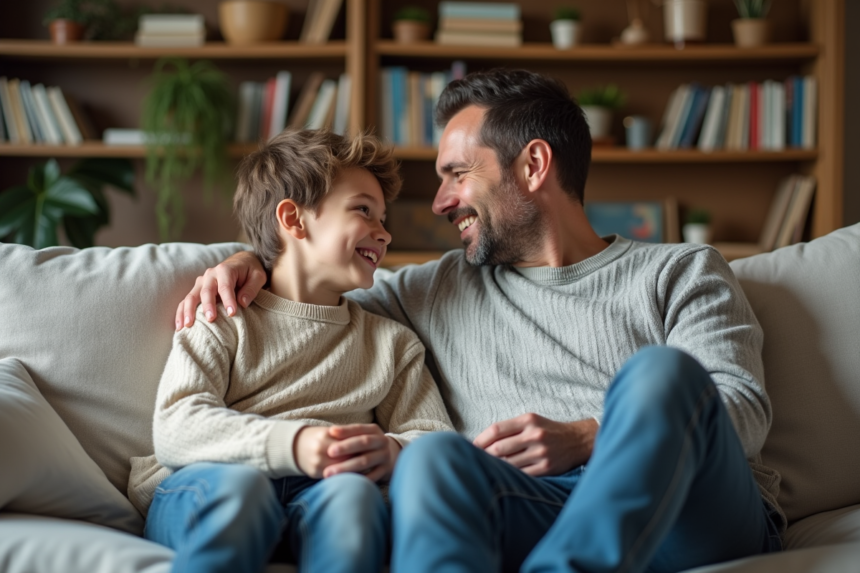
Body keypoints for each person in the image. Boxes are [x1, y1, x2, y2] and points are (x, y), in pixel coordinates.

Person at [177, 70, 784, 573]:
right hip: (539, 508)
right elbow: (318, 280)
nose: (439, 202)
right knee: (432, 458)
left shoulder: (679, 271)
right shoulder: (436, 288)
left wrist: (589, 437)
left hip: (692, 514)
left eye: (456, 175)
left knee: (660, 375)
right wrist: (247, 259)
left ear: (533, 164)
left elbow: (741, 412)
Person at [129, 129, 453, 573]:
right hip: (212, 481)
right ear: (294, 219)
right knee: (242, 492)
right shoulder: (224, 313)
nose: (385, 234)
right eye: (364, 211)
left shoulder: (392, 344)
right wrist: (296, 444)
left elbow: (435, 438)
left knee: (355, 498)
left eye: (384, 218)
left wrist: (393, 450)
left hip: (323, 491)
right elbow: (176, 426)